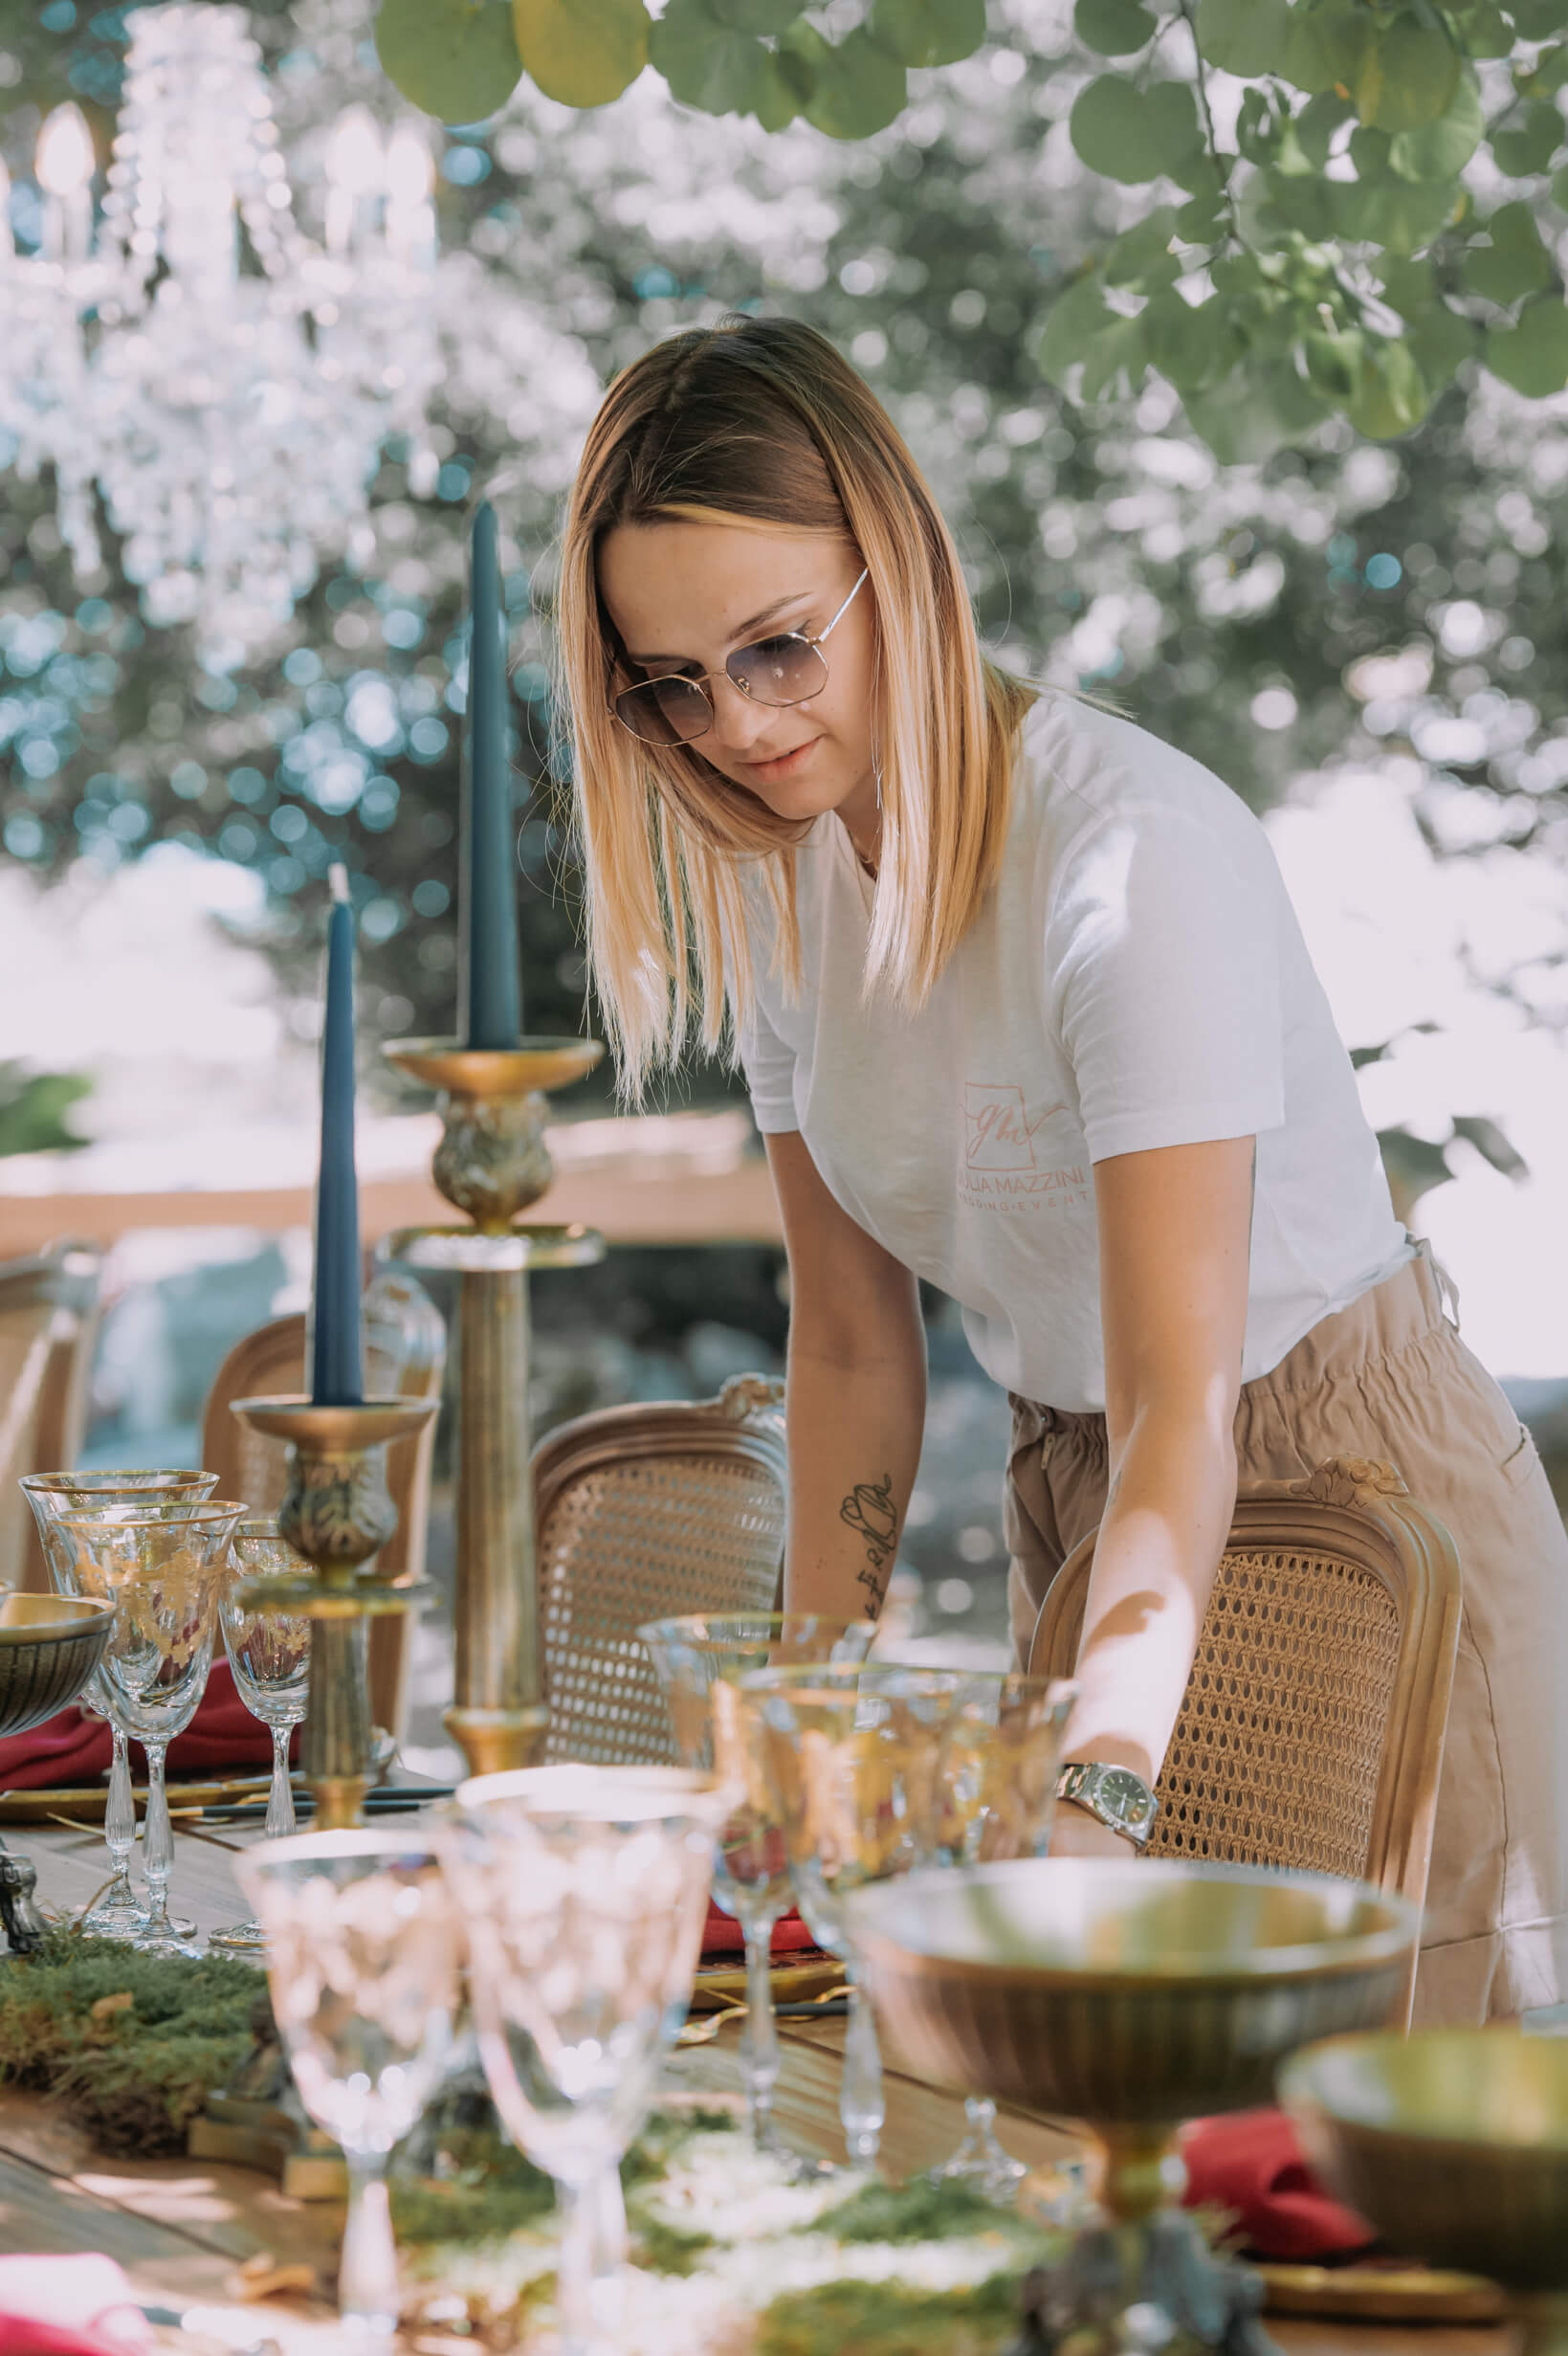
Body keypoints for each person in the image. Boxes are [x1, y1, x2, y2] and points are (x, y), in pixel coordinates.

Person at [555, 311, 1568, 2026]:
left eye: (778, 646)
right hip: (1094, 1502)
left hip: (1346, 1501)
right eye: (672, 681)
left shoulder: (1125, 857)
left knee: (1370, 2133)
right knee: (1064, 2113)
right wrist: (800, 1736)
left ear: (898, 559)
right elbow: (853, 1350)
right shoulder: (778, 883)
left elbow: (1186, 1401)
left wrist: (1100, 1783)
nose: (733, 722)